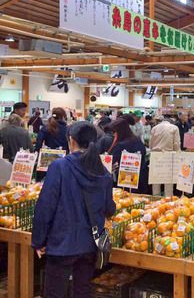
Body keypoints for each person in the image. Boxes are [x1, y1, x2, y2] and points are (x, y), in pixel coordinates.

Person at [32, 121, 115, 297]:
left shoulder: (60, 167)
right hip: (90, 245)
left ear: (71, 140)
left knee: (55, 293)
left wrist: (38, 240)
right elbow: (109, 209)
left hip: (62, 243)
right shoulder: (103, 172)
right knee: (82, 291)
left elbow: (45, 207)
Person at [109, 118, 149, 194]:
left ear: (120, 131)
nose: (113, 134)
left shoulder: (121, 145)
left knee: (126, 202)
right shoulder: (137, 140)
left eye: (114, 132)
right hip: (141, 178)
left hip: (126, 180)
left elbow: (111, 160)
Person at [149, 116, 181, 196]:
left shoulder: (154, 128)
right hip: (168, 156)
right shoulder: (174, 128)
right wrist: (178, 155)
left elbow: (150, 144)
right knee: (168, 182)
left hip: (155, 156)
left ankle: (155, 200)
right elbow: (176, 144)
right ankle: (168, 201)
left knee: (155, 181)